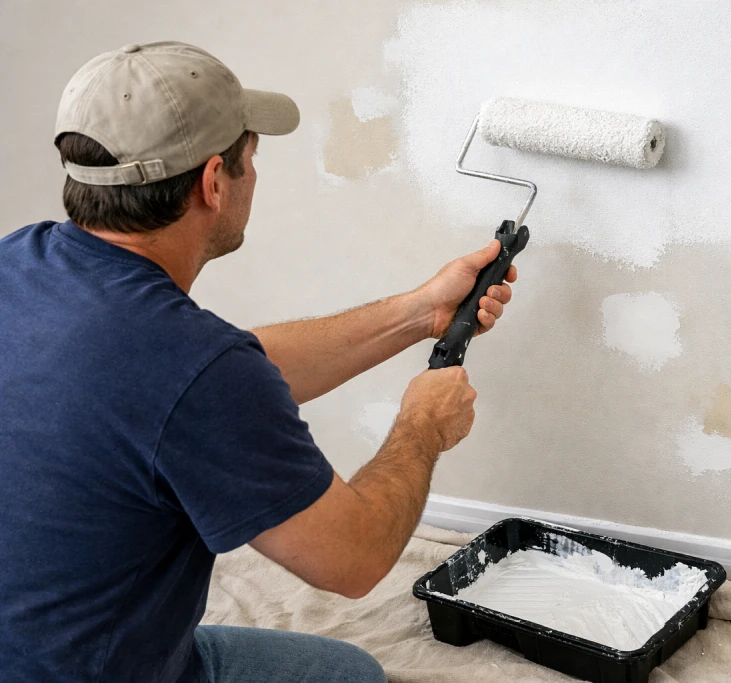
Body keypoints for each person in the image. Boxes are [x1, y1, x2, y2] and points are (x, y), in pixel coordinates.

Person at [0, 41, 517, 682]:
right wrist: (423, 426)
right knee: (349, 676)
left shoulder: (19, 261)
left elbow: (197, 384)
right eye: (251, 155)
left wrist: (418, 312)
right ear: (214, 181)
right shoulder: (196, 373)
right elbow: (352, 560)